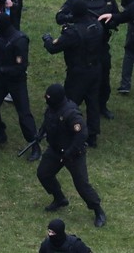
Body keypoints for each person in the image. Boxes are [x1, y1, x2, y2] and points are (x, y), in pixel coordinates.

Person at [35, 84, 106, 228]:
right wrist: (41, 132)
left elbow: (82, 134)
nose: (47, 101)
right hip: (55, 150)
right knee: (43, 173)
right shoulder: (52, 107)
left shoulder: (71, 113)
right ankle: (59, 198)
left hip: (73, 154)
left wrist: (69, 153)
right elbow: (48, 120)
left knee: (81, 184)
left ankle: (98, 210)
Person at [55, 0, 120, 119]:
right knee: (74, 80)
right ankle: (70, 107)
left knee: (104, 77)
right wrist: (76, 17)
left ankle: (102, 105)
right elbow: (60, 17)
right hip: (79, 45)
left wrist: (109, 22)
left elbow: (116, 17)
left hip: (101, 45)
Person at [43, 0, 105, 147]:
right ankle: (92, 135)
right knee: (93, 103)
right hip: (95, 69)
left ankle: (65, 130)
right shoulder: (96, 24)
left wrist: (47, 39)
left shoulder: (74, 32)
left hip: (78, 72)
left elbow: (53, 48)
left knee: (68, 104)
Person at [0, 13, 39, 161]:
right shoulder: (0, 37)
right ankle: (0, 132)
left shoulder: (20, 41)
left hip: (16, 81)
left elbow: (21, 67)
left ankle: (35, 145)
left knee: (24, 114)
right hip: (1, 80)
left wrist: (0, 70)